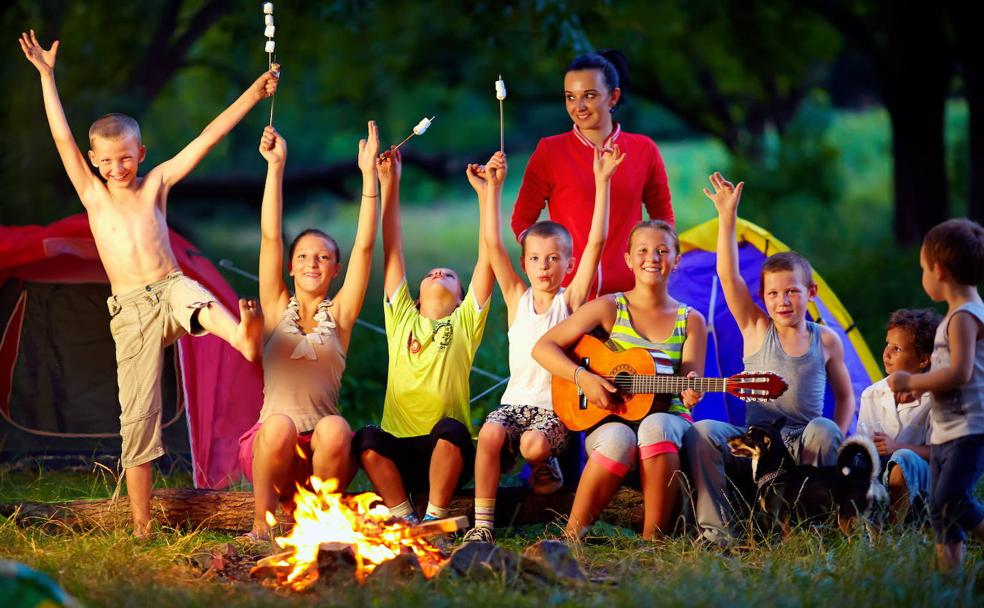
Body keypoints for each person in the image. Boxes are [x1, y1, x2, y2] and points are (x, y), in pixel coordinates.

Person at [19, 30, 277, 537]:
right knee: (138, 421)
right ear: (96, 161)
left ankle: (240, 337)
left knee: (195, 296)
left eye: (127, 157)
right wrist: (47, 77)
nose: (118, 168)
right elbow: (62, 139)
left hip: (170, 285)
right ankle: (141, 526)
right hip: (132, 312)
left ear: (142, 152)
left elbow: (207, 137)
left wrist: (254, 92)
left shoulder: (156, 184)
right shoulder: (94, 195)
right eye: (108, 160)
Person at [461, 146, 624, 544]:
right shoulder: (517, 298)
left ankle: (546, 462)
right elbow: (493, 247)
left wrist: (602, 181)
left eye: (554, 259)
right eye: (535, 259)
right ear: (525, 263)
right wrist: (491, 192)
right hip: (514, 403)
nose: (544, 267)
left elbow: (597, 243)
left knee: (533, 445)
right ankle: (483, 525)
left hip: (556, 409)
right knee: (490, 435)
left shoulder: (571, 302)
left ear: (568, 264)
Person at [685, 172, 855, 546]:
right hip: (756, 441)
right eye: (774, 293)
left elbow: (845, 395)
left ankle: (813, 525)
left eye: (792, 291)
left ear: (810, 292)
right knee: (702, 432)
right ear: (763, 297)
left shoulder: (825, 339)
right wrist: (727, 216)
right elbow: (728, 277)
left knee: (825, 429)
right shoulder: (757, 329)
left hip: (801, 441)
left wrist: (840, 435)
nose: (783, 301)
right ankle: (716, 532)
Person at [237, 123, 380, 540]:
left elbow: (367, 248)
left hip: (324, 455)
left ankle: (323, 522)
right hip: (270, 450)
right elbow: (269, 237)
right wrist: (275, 168)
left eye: (323, 257)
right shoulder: (277, 306)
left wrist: (369, 176)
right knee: (278, 425)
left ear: (336, 269)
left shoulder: (342, 315)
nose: (312, 263)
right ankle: (261, 526)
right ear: (291, 266)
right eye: (303, 256)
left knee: (336, 426)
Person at [533, 220, 707, 540]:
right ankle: (571, 537)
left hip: (669, 418)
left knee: (656, 425)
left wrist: (693, 389)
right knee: (616, 439)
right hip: (612, 414)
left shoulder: (692, 320)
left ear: (677, 260)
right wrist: (582, 377)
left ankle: (653, 539)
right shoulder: (610, 307)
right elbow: (544, 347)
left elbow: (689, 379)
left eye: (662, 250)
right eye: (642, 250)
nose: (652, 257)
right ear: (628, 259)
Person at [353, 148, 495, 524]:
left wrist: (485, 198)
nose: (438, 274)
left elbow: (488, 258)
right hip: (398, 452)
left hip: (446, 452)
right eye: (432, 272)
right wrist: (391, 184)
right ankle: (404, 517)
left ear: (463, 298)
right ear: (414, 297)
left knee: (451, 430)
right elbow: (393, 248)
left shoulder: (465, 322)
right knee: (366, 438)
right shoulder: (401, 317)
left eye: (448, 274)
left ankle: (435, 519)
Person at [511, 49, 673, 297]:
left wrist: (653, 261)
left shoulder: (643, 150)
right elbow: (522, 220)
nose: (579, 107)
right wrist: (543, 260)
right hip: (569, 297)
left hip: (631, 295)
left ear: (613, 97)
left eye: (589, 95)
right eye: (570, 97)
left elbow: (663, 218)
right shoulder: (550, 151)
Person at [887, 218, 984, 571]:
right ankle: (950, 576)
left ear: (939, 270)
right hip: (947, 430)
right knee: (940, 508)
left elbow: (959, 372)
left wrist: (910, 382)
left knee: (951, 499)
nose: (923, 275)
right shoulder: (957, 316)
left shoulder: (963, 318)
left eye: (923, 268)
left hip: (968, 429)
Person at [858, 309, 941, 524]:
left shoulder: (935, 397)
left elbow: (940, 453)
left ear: (923, 360)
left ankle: (894, 531)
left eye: (897, 349)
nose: (886, 353)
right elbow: (863, 442)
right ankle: (865, 523)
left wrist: (895, 446)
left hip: (923, 482)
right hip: (880, 477)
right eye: (887, 344)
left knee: (903, 458)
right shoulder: (871, 394)